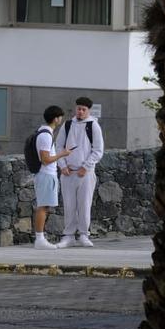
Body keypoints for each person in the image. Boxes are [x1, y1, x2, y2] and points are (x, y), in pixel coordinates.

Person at [55, 96, 105, 248]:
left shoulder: (93, 126)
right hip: (68, 172)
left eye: (84, 109)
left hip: (85, 173)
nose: (80, 112)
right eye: (79, 108)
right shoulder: (68, 124)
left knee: (84, 204)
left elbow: (98, 150)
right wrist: (62, 165)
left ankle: (84, 234)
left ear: (88, 111)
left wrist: (86, 166)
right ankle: (68, 235)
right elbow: (59, 146)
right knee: (69, 205)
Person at [33, 105, 72, 249]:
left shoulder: (45, 133)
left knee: (45, 206)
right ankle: (39, 239)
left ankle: (40, 238)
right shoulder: (45, 135)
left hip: (47, 174)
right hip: (46, 174)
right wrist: (63, 154)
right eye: (60, 116)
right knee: (42, 207)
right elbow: (45, 159)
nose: (61, 119)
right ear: (56, 118)